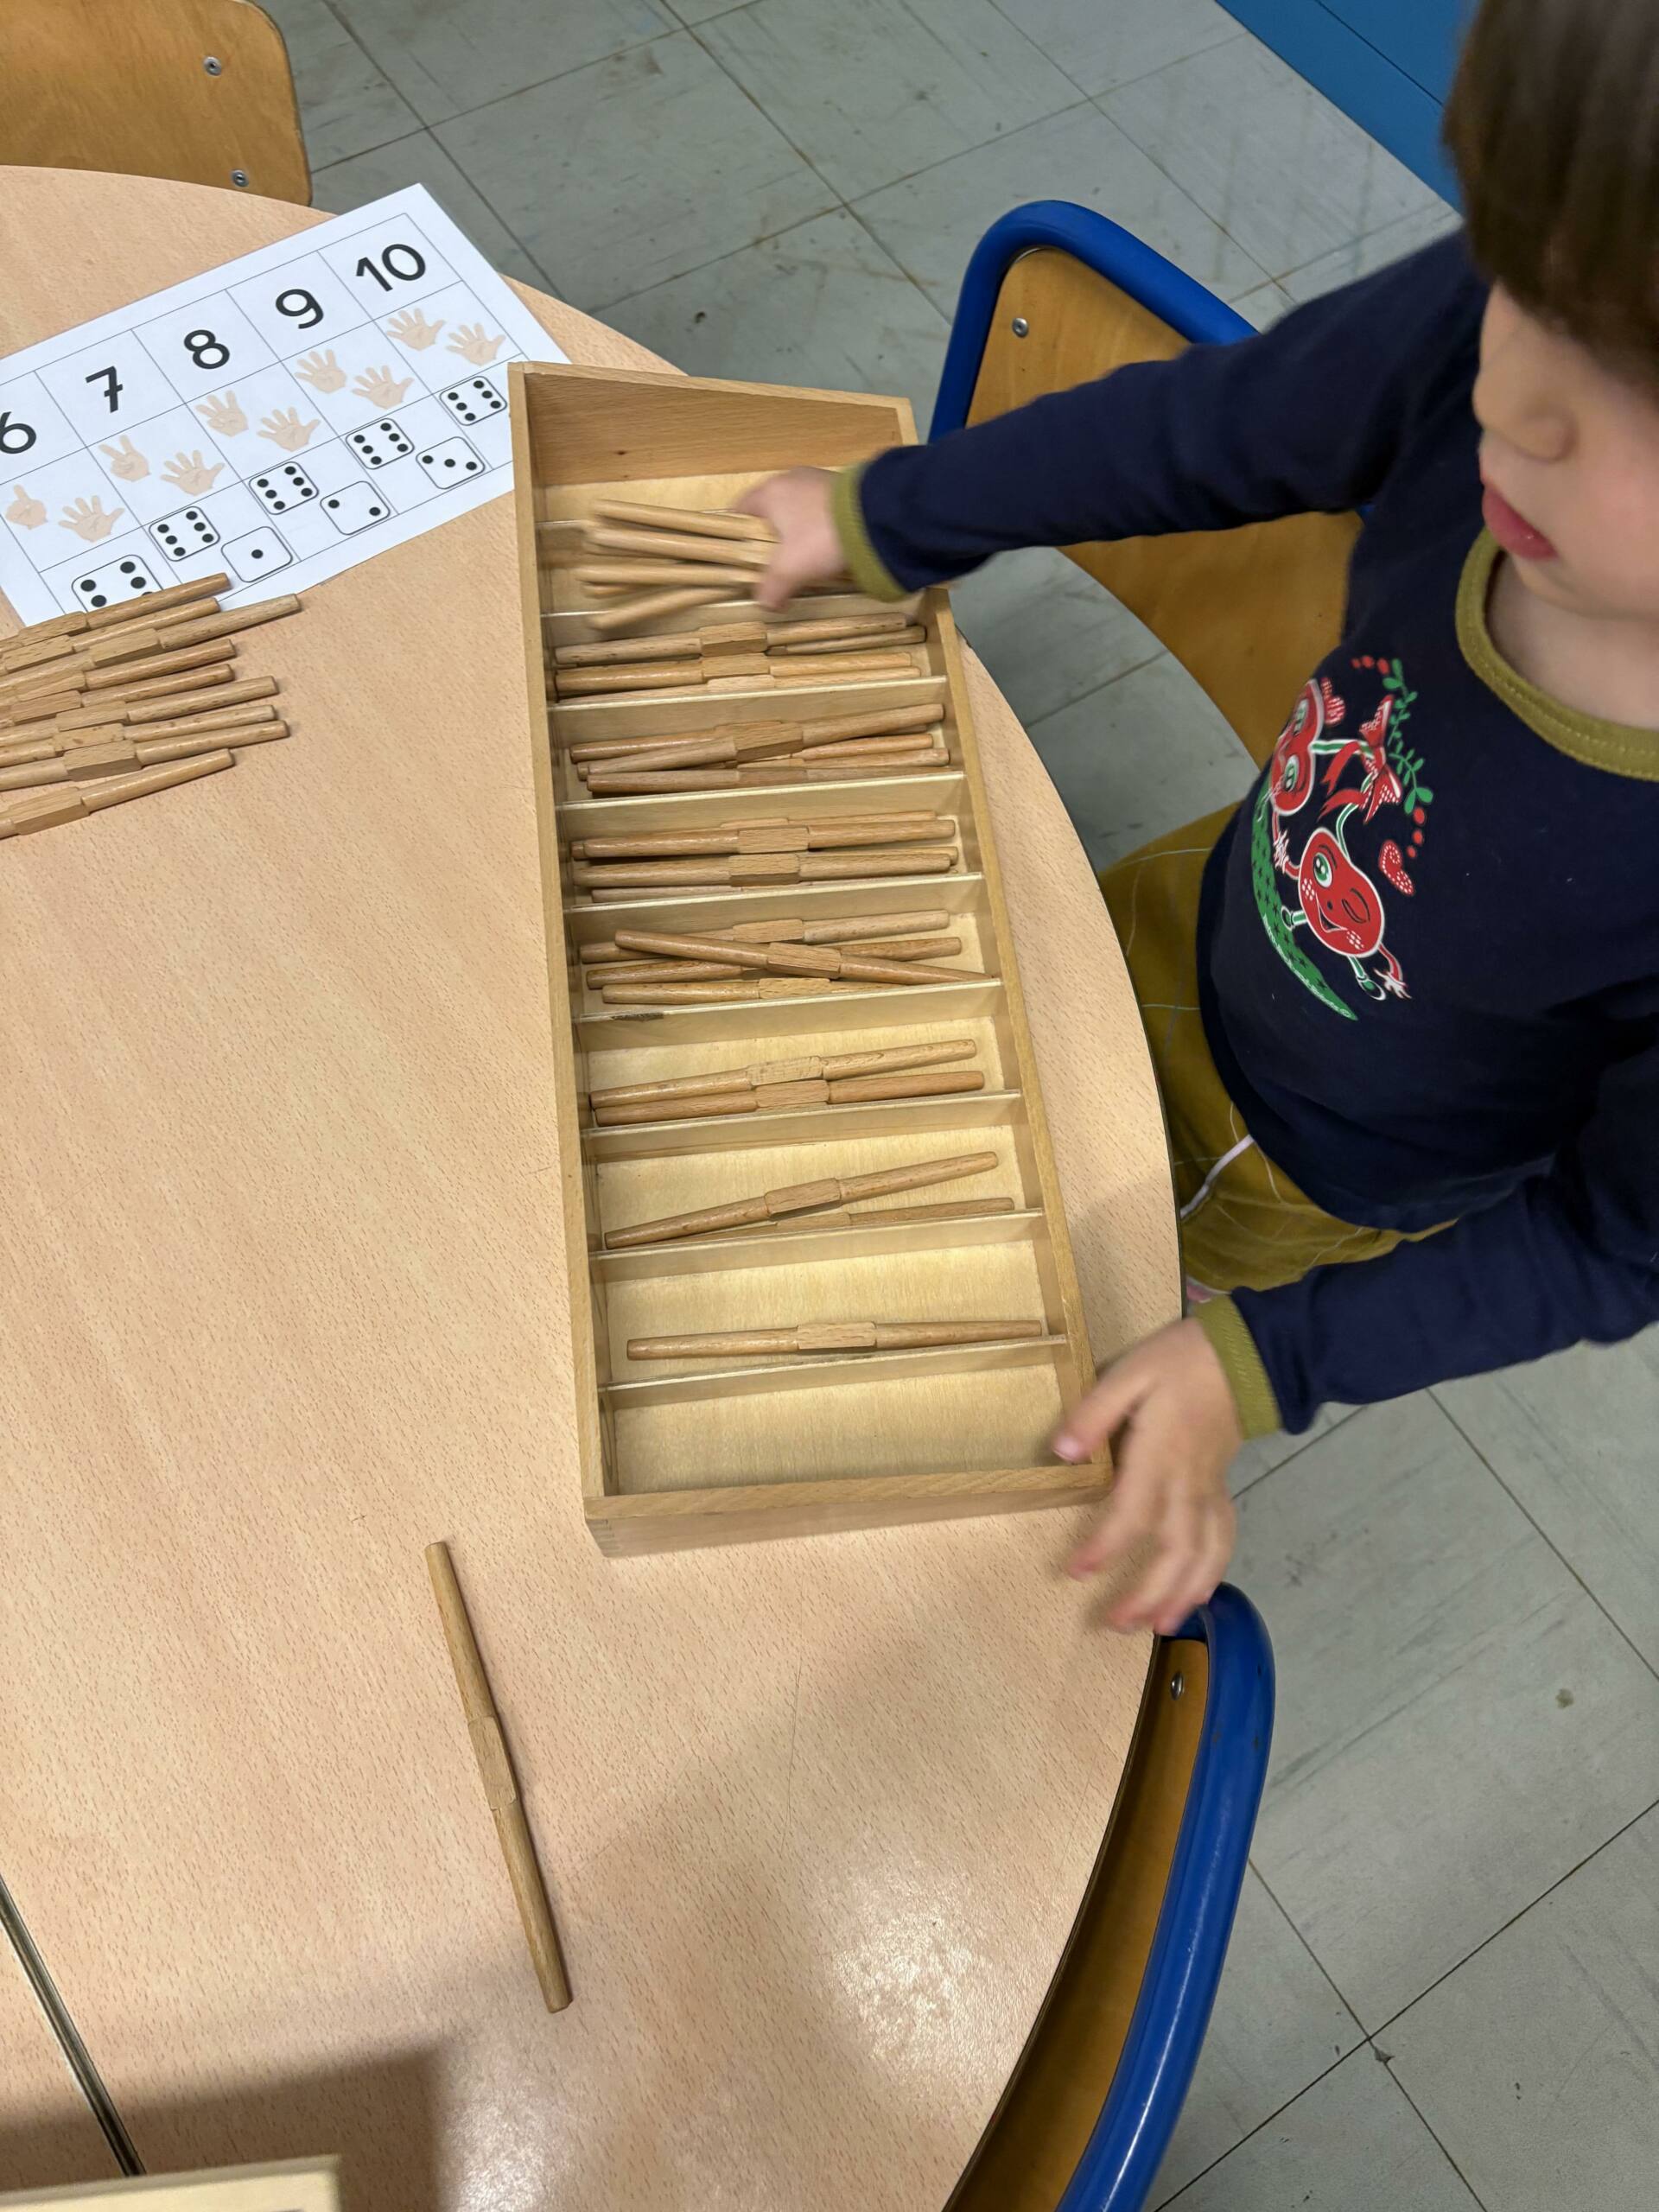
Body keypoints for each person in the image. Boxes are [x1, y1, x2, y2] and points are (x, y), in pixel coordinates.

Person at [734, 0, 1659, 1637]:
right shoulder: (1500, 326)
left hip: (1298, 1158)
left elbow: (1612, 1240)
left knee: (1021, 1306)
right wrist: (897, 514)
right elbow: (1205, 428)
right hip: (1225, 891)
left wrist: (1257, 1360)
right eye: (1526, 278)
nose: (1514, 395)